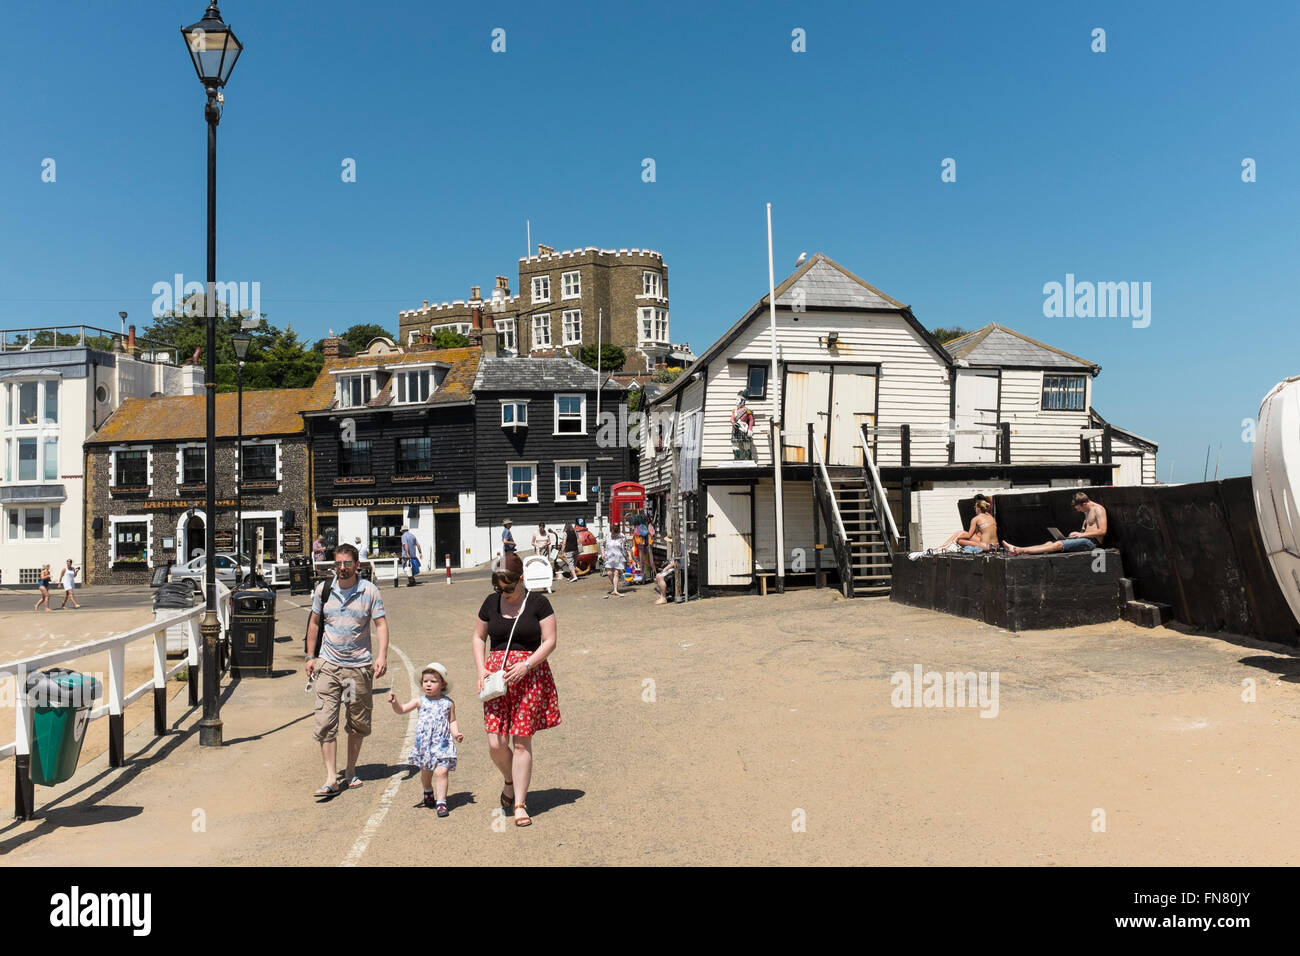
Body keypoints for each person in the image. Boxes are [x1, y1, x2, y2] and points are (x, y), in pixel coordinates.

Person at [472, 553, 561, 827]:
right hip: (496, 680)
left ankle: (520, 803)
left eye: (508, 587)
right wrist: (481, 669)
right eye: (499, 587)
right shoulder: (490, 603)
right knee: (496, 742)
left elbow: (550, 641)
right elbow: (478, 637)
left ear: (521, 579)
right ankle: (509, 780)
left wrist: (527, 665)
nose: (503, 592)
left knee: (521, 741)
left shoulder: (538, 603)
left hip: (528, 677)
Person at [304, 543, 389, 799]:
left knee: (356, 722)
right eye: (338, 564)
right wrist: (311, 656)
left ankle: (350, 770)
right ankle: (331, 777)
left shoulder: (369, 591)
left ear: (357, 565)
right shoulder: (324, 590)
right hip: (329, 665)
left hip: (358, 668)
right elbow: (315, 623)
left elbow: (381, 624)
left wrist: (382, 656)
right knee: (325, 721)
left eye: (347, 564)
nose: (342, 568)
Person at [387, 663, 462, 816]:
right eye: (425, 681)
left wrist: (456, 733)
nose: (428, 684)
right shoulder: (419, 701)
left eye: (433, 681)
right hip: (425, 745)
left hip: (443, 744)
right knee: (426, 773)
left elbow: (452, 720)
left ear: (443, 684)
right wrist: (395, 702)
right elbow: (401, 710)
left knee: (441, 772)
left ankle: (441, 802)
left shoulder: (448, 703)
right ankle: (428, 790)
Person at [1005, 492, 1108, 555]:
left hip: (1092, 543)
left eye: (1079, 508)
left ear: (1084, 503)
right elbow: (1086, 530)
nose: (1079, 511)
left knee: (1058, 545)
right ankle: (1017, 548)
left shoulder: (1098, 509)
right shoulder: (1087, 511)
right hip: (1084, 539)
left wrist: (1081, 535)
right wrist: (1077, 535)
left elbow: (1103, 531)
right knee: (1049, 543)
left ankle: (1020, 551)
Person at [601, 523, 627, 597]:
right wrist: (602, 554)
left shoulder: (622, 536)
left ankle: (615, 589)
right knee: (609, 573)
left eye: (614, 533)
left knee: (616, 573)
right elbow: (602, 545)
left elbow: (626, 546)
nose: (612, 534)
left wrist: (629, 556)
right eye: (612, 532)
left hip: (619, 556)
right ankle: (614, 586)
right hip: (609, 556)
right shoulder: (607, 535)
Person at [731, 392, 755, 460]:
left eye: (738, 399)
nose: (736, 401)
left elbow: (751, 421)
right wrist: (733, 423)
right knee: (735, 445)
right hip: (736, 429)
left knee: (746, 444)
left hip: (744, 429)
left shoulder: (747, 411)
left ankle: (747, 458)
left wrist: (750, 429)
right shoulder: (734, 411)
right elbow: (732, 419)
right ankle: (737, 458)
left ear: (742, 401)